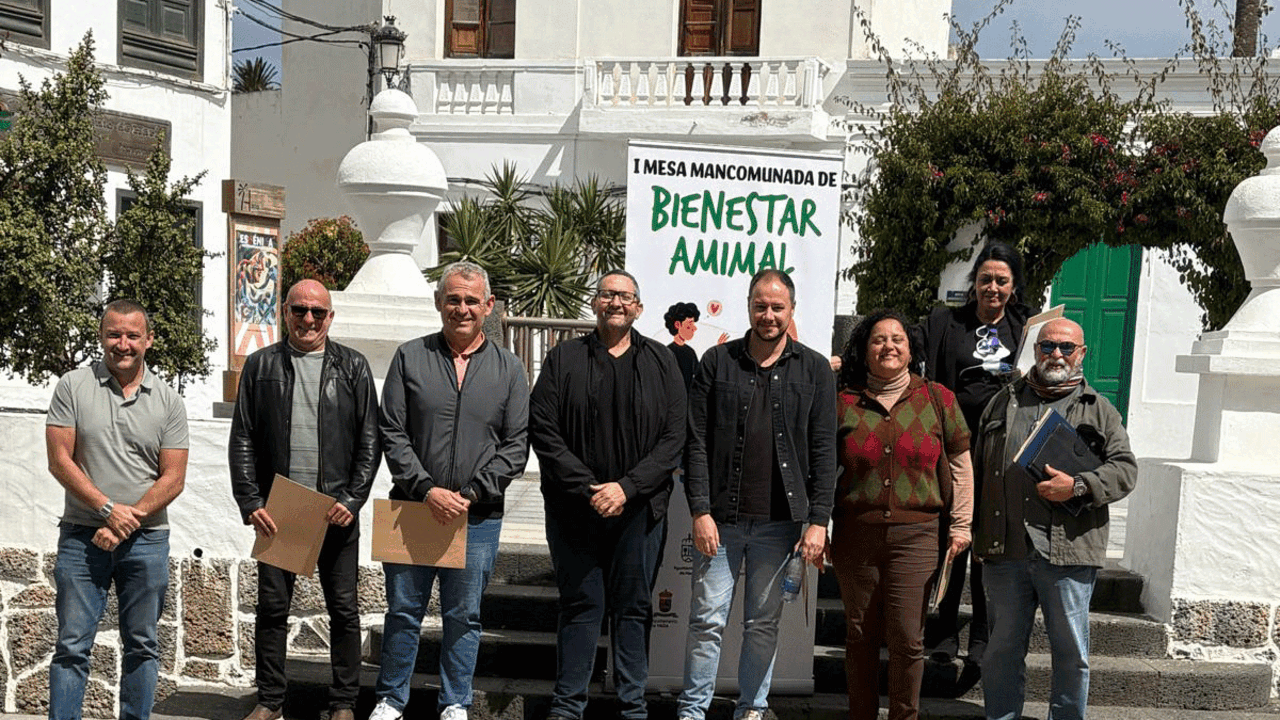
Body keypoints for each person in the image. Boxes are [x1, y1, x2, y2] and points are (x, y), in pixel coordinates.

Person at [369, 262, 530, 720]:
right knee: (403, 611)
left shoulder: (509, 368)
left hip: (476, 515)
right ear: (439, 302)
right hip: (413, 507)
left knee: (464, 615)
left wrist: (471, 493)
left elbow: (516, 445)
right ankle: (390, 699)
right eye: (454, 299)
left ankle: (455, 702)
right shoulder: (409, 356)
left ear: (489, 306)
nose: (462, 309)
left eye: (471, 301)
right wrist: (426, 488)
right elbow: (392, 431)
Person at [678, 269, 836, 720]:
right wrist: (700, 511)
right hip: (720, 522)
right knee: (706, 622)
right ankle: (692, 712)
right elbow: (696, 442)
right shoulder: (717, 361)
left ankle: (752, 708)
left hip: (780, 524)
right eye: (760, 306)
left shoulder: (815, 369)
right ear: (748, 307)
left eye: (777, 307)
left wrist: (818, 520)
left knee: (763, 625)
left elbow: (825, 450)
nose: (768, 315)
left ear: (792, 310)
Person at [529, 270, 686, 720]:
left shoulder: (662, 362)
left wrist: (626, 488)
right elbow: (544, 430)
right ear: (595, 303)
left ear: (639, 308)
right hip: (574, 511)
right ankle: (567, 708)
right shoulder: (564, 358)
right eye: (607, 295)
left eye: (625, 297)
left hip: (640, 511)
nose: (616, 303)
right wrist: (590, 489)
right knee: (581, 606)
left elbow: (674, 437)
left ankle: (632, 708)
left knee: (633, 609)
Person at [229, 279, 380, 720]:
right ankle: (270, 701)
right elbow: (243, 437)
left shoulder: (353, 367)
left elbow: (370, 441)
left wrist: (353, 499)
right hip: (281, 509)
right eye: (299, 310)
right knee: (272, 609)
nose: (308, 319)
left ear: (330, 317)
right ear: (285, 312)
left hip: (336, 511)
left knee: (344, 610)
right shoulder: (260, 365)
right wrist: (251, 501)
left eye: (317, 311)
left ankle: (344, 703)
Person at [973, 318, 1138, 720]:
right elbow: (977, 468)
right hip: (1006, 548)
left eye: (1066, 347)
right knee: (1001, 651)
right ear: (1035, 350)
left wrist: (1078, 485)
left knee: (1070, 653)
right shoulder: (1003, 401)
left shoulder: (1099, 410)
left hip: (1069, 552)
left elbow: (1125, 471)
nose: (1056, 355)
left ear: (1082, 354)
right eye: (1047, 346)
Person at [46, 299, 189, 720]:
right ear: (101, 337)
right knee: (72, 646)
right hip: (81, 536)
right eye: (114, 334)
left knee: (142, 646)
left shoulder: (169, 401)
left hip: (147, 541)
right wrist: (107, 509)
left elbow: (173, 478)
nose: (122, 344)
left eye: (132, 335)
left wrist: (125, 522)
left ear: (149, 340)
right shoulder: (73, 386)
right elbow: (60, 460)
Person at [830, 308, 973, 720]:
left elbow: (961, 466)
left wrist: (961, 524)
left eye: (897, 339)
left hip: (917, 537)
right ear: (864, 350)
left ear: (911, 350)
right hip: (856, 536)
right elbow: (821, 467)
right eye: (878, 340)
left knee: (908, 638)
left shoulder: (938, 399)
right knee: (859, 635)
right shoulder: (844, 402)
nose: (888, 346)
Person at [920, 241, 1030, 666]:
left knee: (992, 541)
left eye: (1002, 280)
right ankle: (944, 630)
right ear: (974, 282)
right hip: (956, 448)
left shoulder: (1027, 328)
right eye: (986, 279)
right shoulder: (947, 323)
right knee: (952, 536)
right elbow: (914, 355)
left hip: (1003, 450)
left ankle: (983, 633)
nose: (993, 288)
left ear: (1013, 286)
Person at [664, 301, 701, 390]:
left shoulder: (690, 352)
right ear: (677, 325)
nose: (694, 328)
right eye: (689, 325)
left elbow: (700, 375)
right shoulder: (667, 352)